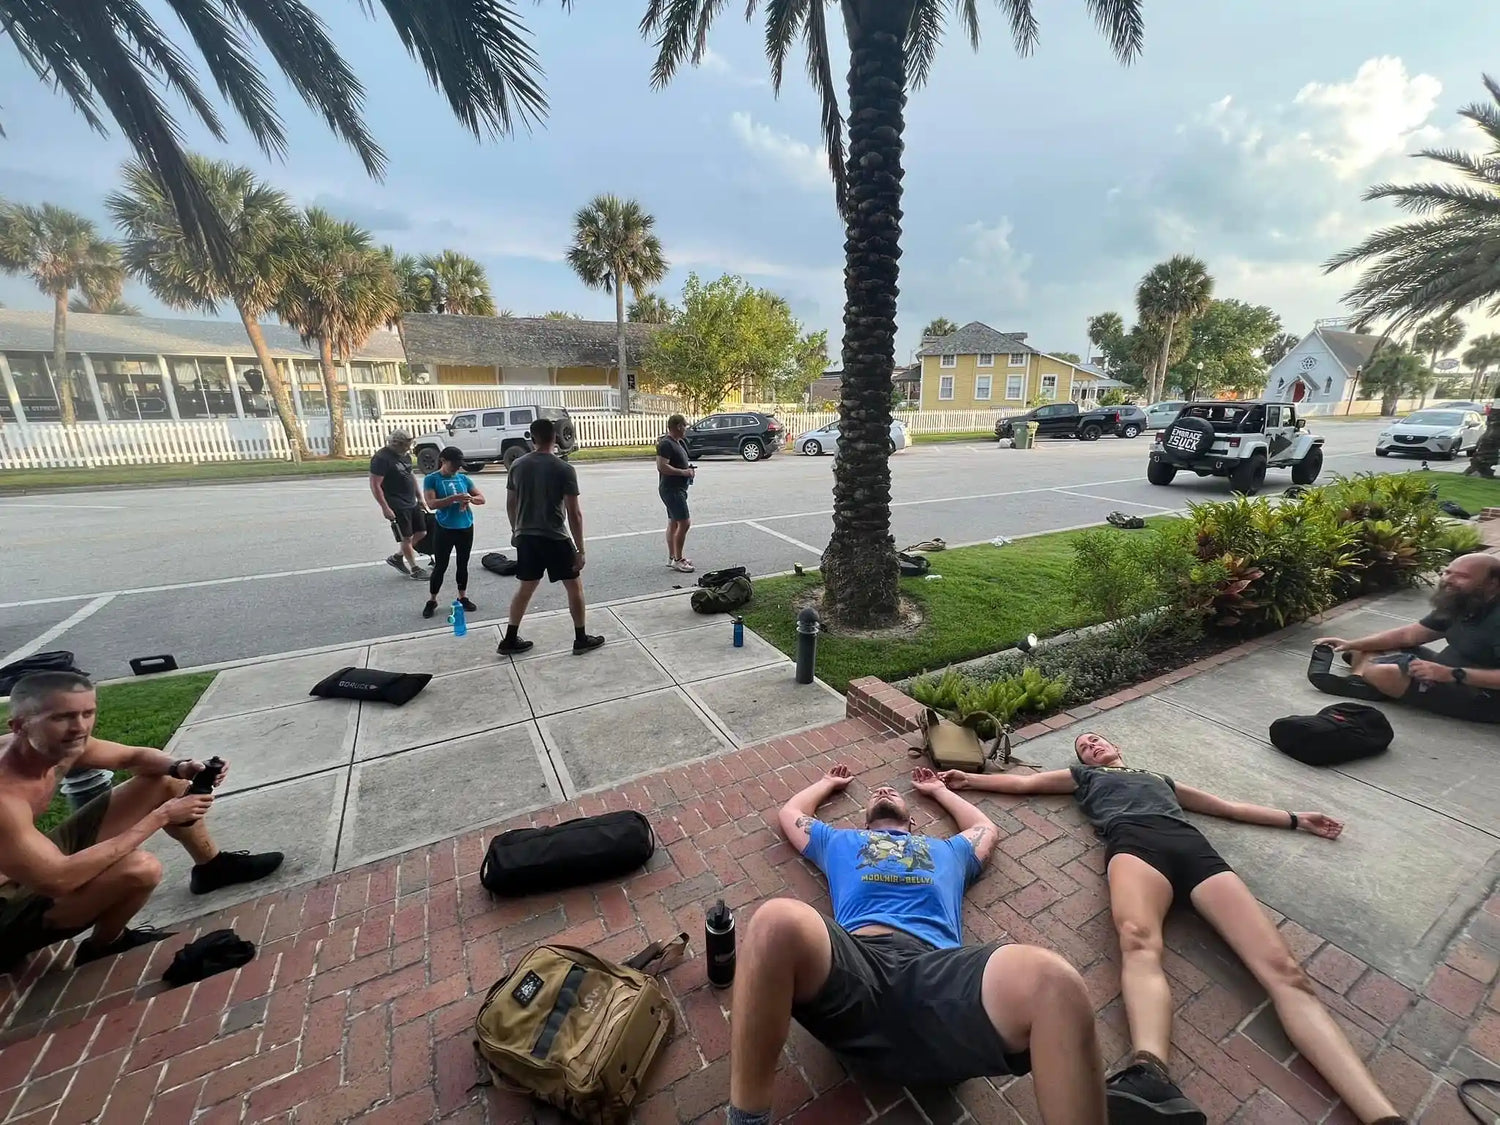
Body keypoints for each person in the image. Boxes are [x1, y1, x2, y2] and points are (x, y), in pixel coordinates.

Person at [940, 735, 1405, 1125]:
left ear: (1116, 746)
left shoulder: (1159, 779)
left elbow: (1223, 806)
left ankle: (1383, 1116)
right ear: (1081, 761)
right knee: (1138, 940)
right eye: (1084, 745)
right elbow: (1025, 785)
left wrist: (1295, 818)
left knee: (1285, 970)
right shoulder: (1086, 778)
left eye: (1097, 739)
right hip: (1134, 845)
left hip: (1192, 848)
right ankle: (1151, 1075)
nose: (1092, 745)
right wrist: (969, 780)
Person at [728, 763, 1114, 1125]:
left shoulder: (947, 851)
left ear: (912, 823)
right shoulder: (840, 842)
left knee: (1056, 982)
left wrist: (938, 790)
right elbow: (791, 813)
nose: (883, 790)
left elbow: (983, 827)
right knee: (774, 921)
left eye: (894, 793)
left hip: (939, 979)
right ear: (864, 821)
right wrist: (828, 783)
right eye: (876, 794)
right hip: (858, 969)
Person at [0, 673, 284, 970]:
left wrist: (181, 766)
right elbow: (60, 879)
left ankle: (212, 869)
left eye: (88, 713)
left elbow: (131, 757)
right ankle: (104, 945)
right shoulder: (5, 798)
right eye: (63, 717)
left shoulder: (54, 743)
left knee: (166, 782)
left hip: (28, 860)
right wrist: (161, 817)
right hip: (9, 909)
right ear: (20, 726)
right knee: (140, 869)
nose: (80, 727)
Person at [1314, 551, 1500, 721]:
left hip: (1483, 695)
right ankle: (1363, 682)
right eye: (1447, 572)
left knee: (1381, 671)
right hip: (1446, 669)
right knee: (1362, 648)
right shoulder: (1463, 601)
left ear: (1493, 583)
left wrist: (1451, 674)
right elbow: (1409, 635)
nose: (1448, 579)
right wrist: (1350, 643)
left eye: (1462, 576)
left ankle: (1370, 679)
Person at [498, 417, 604, 656]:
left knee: (526, 587)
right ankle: (580, 638)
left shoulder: (517, 465)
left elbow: (510, 504)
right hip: (554, 536)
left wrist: (516, 531)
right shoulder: (564, 468)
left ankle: (510, 639)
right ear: (555, 437)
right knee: (574, 586)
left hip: (526, 536)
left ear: (532, 437)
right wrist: (580, 549)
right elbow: (574, 513)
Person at [422, 446, 484, 619]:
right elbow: (431, 504)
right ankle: (432, 599)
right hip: (445, 527)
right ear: (443, 460)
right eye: (453, 464)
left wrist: (470, 499)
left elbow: (481, 498)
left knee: (463, 563)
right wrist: (454, 499)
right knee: (441, 565)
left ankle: (462, 596)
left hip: (465, 526)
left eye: (459, 464)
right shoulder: (431, 479)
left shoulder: (463, 478)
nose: (457, 468)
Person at [369, 428, 428, 579]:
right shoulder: (381, 459)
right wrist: (385, 507)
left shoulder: (405, 455)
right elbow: (375, 485)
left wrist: (419, 497)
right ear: (395, 443)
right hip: (396, 502)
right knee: (406, 537)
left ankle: (397, 557)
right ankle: (414, 569)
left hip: (411, 500)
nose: (408, 448)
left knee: (422, 532)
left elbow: (410, 474)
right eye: (405, 445)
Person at [656, 414, 695, 573]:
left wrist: (689, 470)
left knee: (673, 522)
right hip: (671, 490)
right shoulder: (665, 444)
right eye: (684, 426)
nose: (686, 429)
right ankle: (678, 560)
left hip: (679, 489)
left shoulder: (678, 443)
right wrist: (683, 473)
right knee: (684, 523)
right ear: (678, 426)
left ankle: (673, 556)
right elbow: (662, 467)